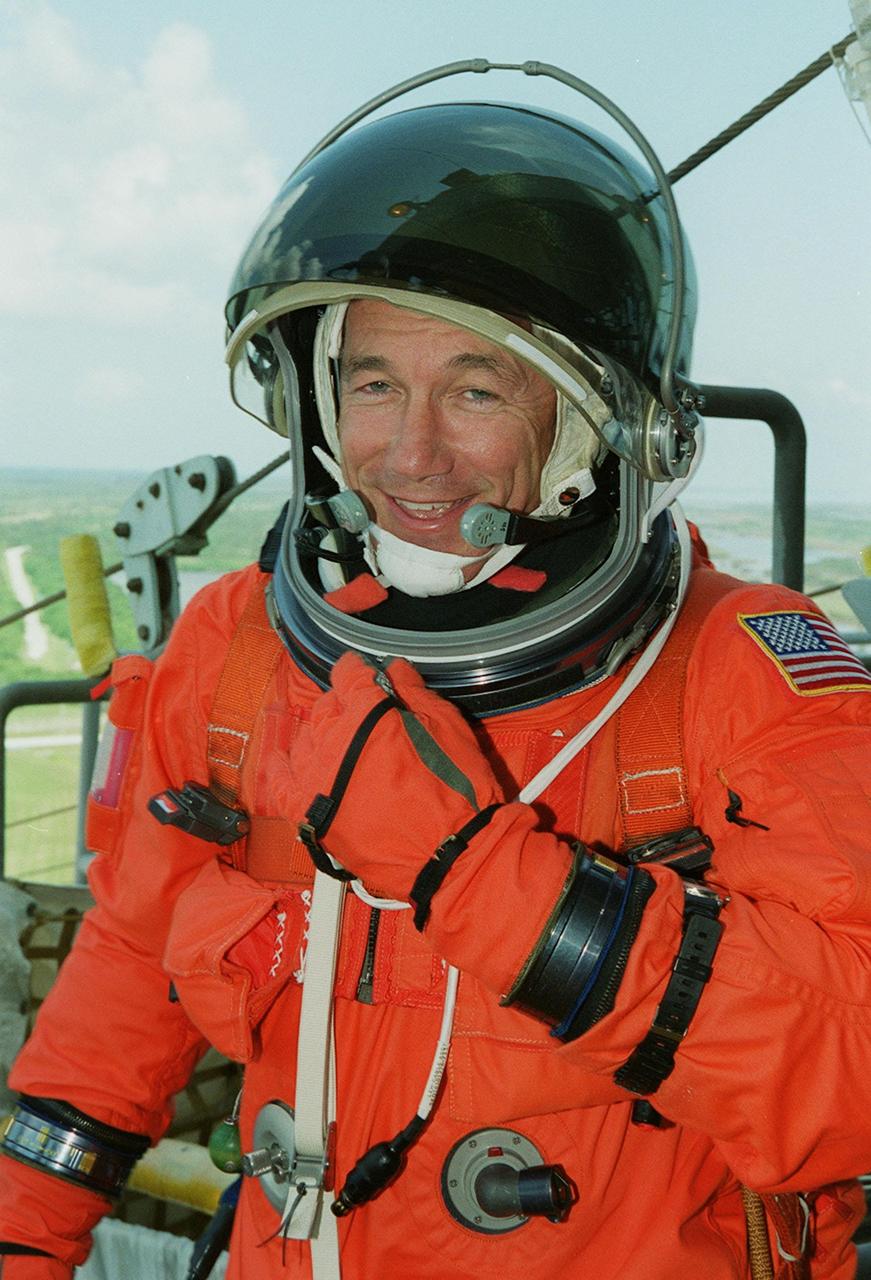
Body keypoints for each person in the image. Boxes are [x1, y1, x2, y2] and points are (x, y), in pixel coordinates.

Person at [1, 90, 871, 1280]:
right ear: (313, 401)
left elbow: (851, 1073)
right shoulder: (238, 650)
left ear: (587, 422)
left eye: (474, 389)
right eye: (371, 384)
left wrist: (491, 882)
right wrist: (20, 1234)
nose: (410, 454)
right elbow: (126, 971)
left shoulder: (732, 670)